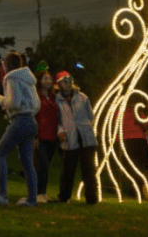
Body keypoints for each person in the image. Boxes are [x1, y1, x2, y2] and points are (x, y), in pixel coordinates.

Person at [0, 51, 40, 206]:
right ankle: (32, 199)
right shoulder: (28, 79)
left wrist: (4, 103)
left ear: (5, 64)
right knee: (27, 162)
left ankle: (2, 194)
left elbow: (13, 103)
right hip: (31, 120)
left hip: (19, 120)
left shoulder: (11, 78)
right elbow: (34, 103)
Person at [54, 71, 98, 204]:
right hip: (69, 137)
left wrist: (85, 127)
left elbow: (91, 116)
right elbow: (58, 119)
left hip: (86, 137)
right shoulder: (57, 100)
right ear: (59, 84)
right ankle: (64, 196)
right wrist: (61, 131)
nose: (67, 84)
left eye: (69, 81)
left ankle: (91, 198)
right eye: (64, 81)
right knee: (68, 169)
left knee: (89, 170)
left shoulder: (82, 97)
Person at [34, 68, 59, 203]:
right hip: (41, 135)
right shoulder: (37, 96)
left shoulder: (53, 97)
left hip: (52, 135)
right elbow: (35, 115)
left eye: (49, 79)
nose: (48, 81)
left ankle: (43, 193)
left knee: (46, 165)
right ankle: (38, 192)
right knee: (41, 164)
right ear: (40, 81)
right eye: (45, 79)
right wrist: (35, 135)